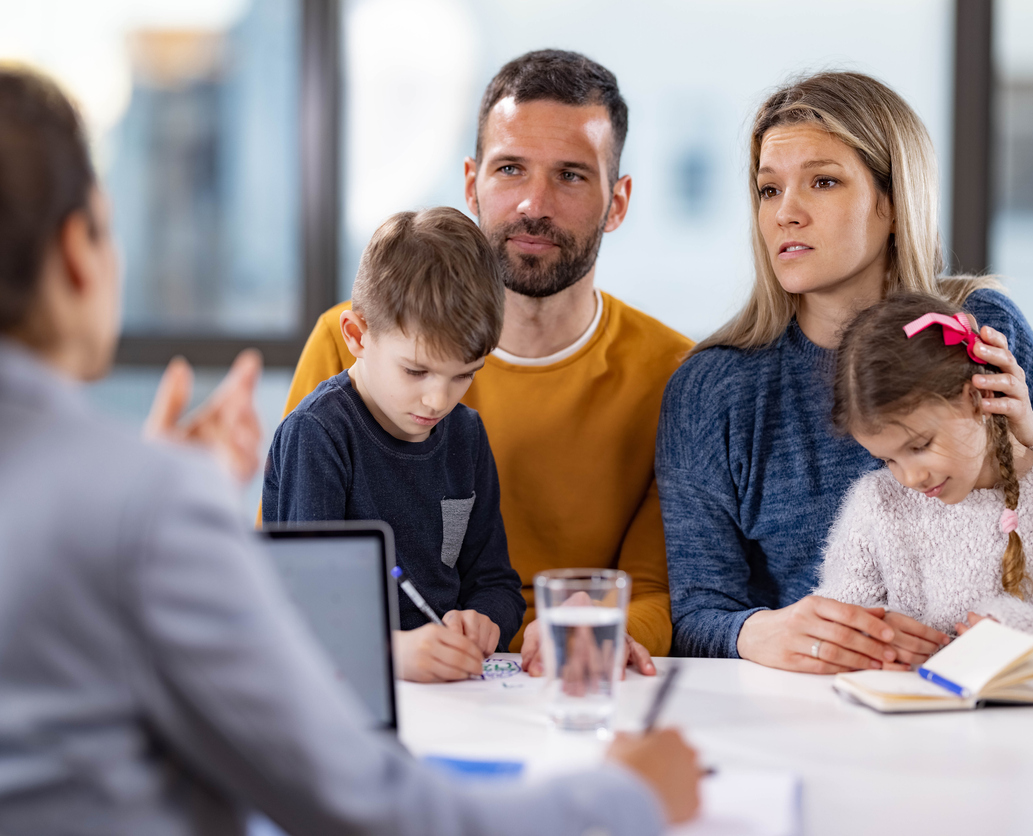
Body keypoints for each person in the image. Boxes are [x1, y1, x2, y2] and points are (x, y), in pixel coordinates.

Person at [0, 64, 700, 834]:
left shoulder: (640, 380)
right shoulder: (157, 495)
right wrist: (627, 800)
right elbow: (365, 805)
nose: (436, 399)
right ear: (77, 254)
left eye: (570, 175)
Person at [657, 71, 1033, 671]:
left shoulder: (982, 330)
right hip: (813, 708)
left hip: (996, 696)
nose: (786, 214)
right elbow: (698, 611)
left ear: (891, 202)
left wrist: (1032, 441)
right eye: (769, 190)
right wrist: (758, 632)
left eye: (822, 182)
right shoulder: (714, 388)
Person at [284, 50, 690, 672]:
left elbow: (657, 590)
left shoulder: (675, 376)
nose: (534, 202)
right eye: (510, 169)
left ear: (618, 201)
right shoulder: (347, 344)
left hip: (564, 679)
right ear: (472, 183)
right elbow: (283, 578)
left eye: (572, 176)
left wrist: (592, 634)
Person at [264, 208, 525, 682]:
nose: (438, 399)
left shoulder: (466, 437)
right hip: (349, 698)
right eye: (416, 370)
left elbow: (497, 583)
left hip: (455, 695)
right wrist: (390, 654)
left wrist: (485, 620)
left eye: (464, 375)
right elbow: (303, 609)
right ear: (357, 336)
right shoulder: (319, 435)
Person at [813, 293, 1033, 666]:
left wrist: (1031, 636)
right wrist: (873, 639)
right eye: (888, 459)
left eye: (921, 445)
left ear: (977, 396)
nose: (911, 477)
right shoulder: (875, 505)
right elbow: (838, 628)